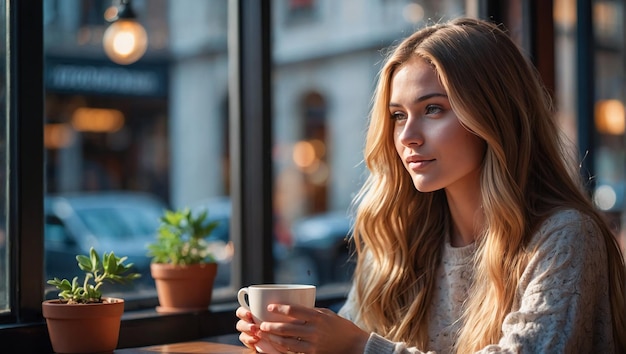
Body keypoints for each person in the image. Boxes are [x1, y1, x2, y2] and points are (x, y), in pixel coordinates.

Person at [235, 17, 626, 353]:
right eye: (398, 115)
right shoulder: (400, 236)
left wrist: (357, 346)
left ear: (494, 114)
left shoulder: (565, 236)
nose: (407, 136)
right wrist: (295, 340)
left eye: (433, 109)